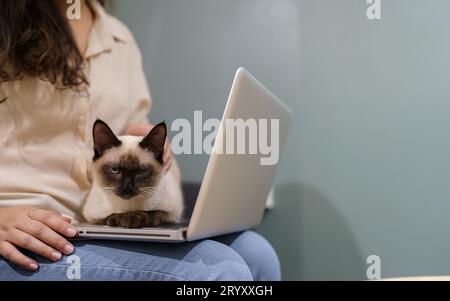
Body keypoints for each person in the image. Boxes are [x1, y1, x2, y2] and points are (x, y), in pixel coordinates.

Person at [0, 0, 281, 280]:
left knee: (257, 253)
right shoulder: (6, 24)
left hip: (96, 224)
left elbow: (132, 140)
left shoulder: (119, 39)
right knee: (220, 270)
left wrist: (149, 144)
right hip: (20, 236)